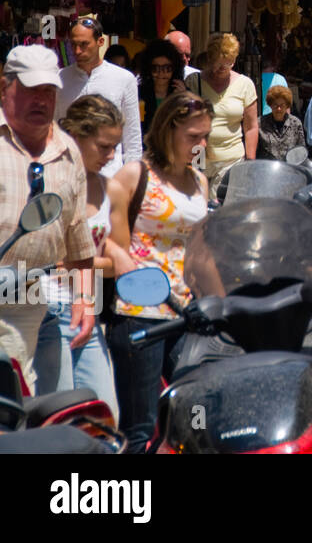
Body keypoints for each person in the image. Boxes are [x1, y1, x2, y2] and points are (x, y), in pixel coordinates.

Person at [106, 91, 212, 452]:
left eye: (205, 137)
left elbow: (201, 250)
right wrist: (120, 260)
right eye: (193, 136)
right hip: (140, 313)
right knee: (141, 428)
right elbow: (105, 239)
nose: (200, 144)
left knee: (193, 419)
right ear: (168, 130)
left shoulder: (200, 181)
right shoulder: (135, 175)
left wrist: (223, 303)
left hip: (187, 314)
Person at [0, 46, 95, 395]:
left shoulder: (68, 151)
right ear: (4, 88)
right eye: (30, 90)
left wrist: (85, 301)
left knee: (20, 403)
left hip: (30, 298)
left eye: (48, 92)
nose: (41, 100)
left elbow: (78, 238)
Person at [39, 95, 124, 418]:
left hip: (90, 311)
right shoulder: (44, 180)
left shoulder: (110, 188)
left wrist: (76, 262)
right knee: (58, 420)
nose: (112, 154)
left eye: (115, 146)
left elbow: (119, 261)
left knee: (105, 419)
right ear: (76, 136)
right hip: (45, 313)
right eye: (104, 146)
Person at [57, 17, 142, 178]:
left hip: (110, 176)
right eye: (73, 45)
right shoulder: (59, 78)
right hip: (68, 175)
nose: (77, 51)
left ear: (100, 41)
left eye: (84, 44)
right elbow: (53, 130)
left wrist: (132, 181)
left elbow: (132, 138)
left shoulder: (124, 79)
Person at [186, 35, 258, 189]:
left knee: (222, 207)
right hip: (199, 156)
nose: (221, 70)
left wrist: (250, 162)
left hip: (231, 159)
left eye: (227, 65)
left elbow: (251, 127)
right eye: (217, 65)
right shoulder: (193, 81)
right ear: (209, 59)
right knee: (198, 206)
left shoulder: (245, 85)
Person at [135, 38, 186, 134]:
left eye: (167, 68)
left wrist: (182, 99)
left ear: (175, 68)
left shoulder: (184, 93)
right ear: (148, 69)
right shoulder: (138, 93)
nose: (161, 73)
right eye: (155, 68)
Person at [257, 85, 307, 161]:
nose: (279, 109)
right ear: (270, 105)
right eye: (275, 105)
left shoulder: (296, 123)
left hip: (289, 169)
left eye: (282, 105)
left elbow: (301, 151)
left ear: (287, 105)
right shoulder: (260, 123)